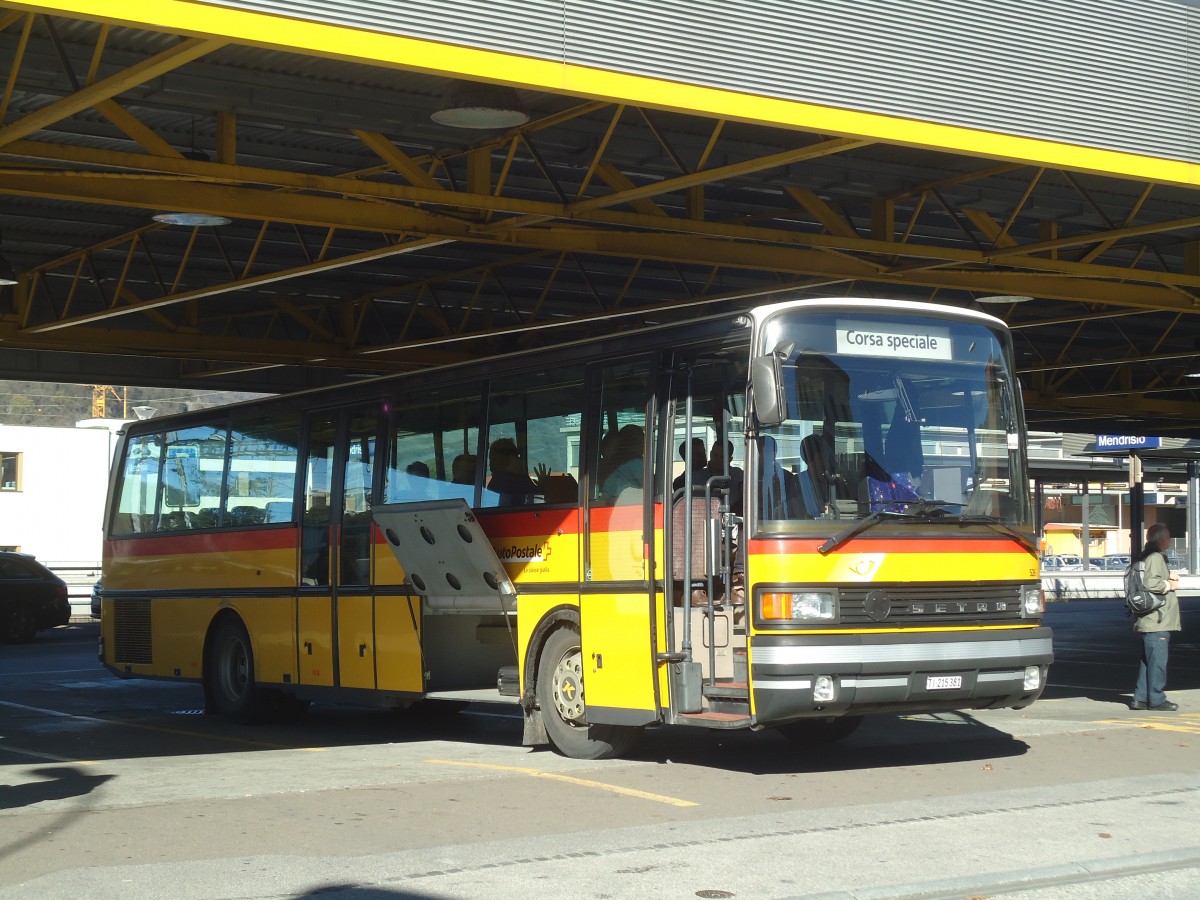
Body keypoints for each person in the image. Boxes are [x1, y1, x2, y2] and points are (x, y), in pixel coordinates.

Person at [1130, 522, 1182, 711]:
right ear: (1161, 539)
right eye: (1168, 537)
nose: (1169, 540)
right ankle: (1157, 699)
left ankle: (1140, 698)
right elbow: (1152, 583)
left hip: (1148, 619)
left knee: (1147, 661)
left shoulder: (1145, 556)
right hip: (1158, 619)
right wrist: (1169, 585)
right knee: (1158, 662)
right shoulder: (1155, 557)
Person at [485, 438, 541, 505]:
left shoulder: (494, 483)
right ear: (511, 458)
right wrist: (543, 485)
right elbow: (538, 501)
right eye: (517, 455)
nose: (519, 459)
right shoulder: (518, 481)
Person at [706, 438, 743, 516]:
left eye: (722, 457)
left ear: (730, 459)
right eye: (715, 455)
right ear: (710, 454)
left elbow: (732, 499)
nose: (717, 460)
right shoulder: (697, 476)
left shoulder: (736, 474)